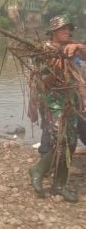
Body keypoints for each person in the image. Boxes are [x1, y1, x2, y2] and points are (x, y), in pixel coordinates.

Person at [28, 15, 86, 202]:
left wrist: (79, 47)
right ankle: (38, 169)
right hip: (53, 101)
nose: (67, 32)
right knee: (60, 142)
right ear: (53, 32)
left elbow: (80, 71)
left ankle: (59, 186)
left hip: (72, 101)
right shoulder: (43, 51)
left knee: (70, 143)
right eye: (63, 29)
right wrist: (54, 71)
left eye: (69, 28)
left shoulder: (72, 49)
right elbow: (41, 84)